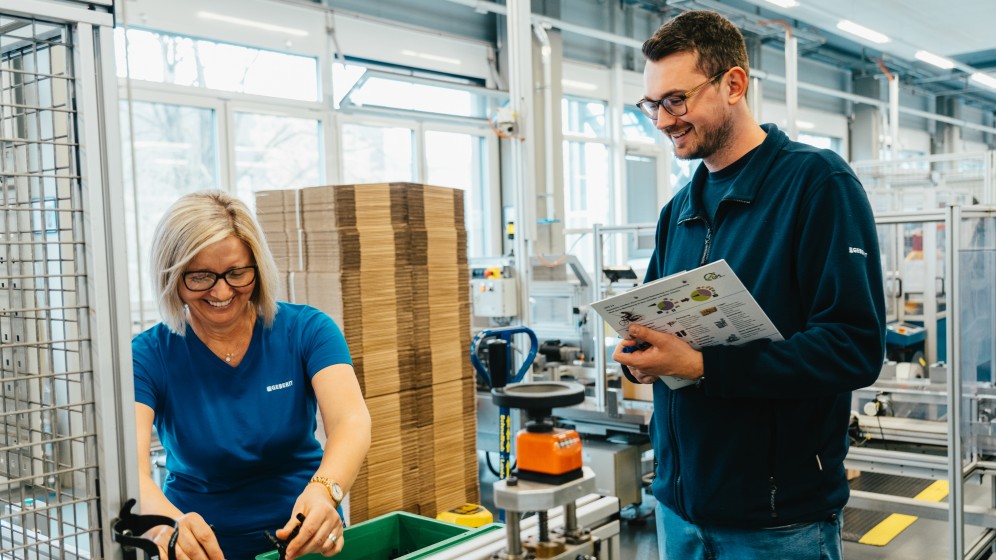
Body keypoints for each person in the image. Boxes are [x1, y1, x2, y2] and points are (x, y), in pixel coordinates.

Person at [614, 10, 885, 560]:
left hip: (777, 521)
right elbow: (648, 325)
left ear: (733, 84)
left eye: (676, 100)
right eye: (652, 105)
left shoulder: (816, 184)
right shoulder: (679, 211)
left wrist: (704, 367)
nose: (663, 121)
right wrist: (636, 357)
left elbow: (853, 347)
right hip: (679, 509)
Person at [133, 190, 371, 560]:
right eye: (201, 277)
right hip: (199, 549)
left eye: (236, 273)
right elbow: (132, 471)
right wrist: (165, 523)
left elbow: (351, 421)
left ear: (257, 268)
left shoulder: (308, 330)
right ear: (173, 276)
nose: (222, 291)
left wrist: (326, 491)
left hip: (303, 540)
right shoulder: (148, 355)